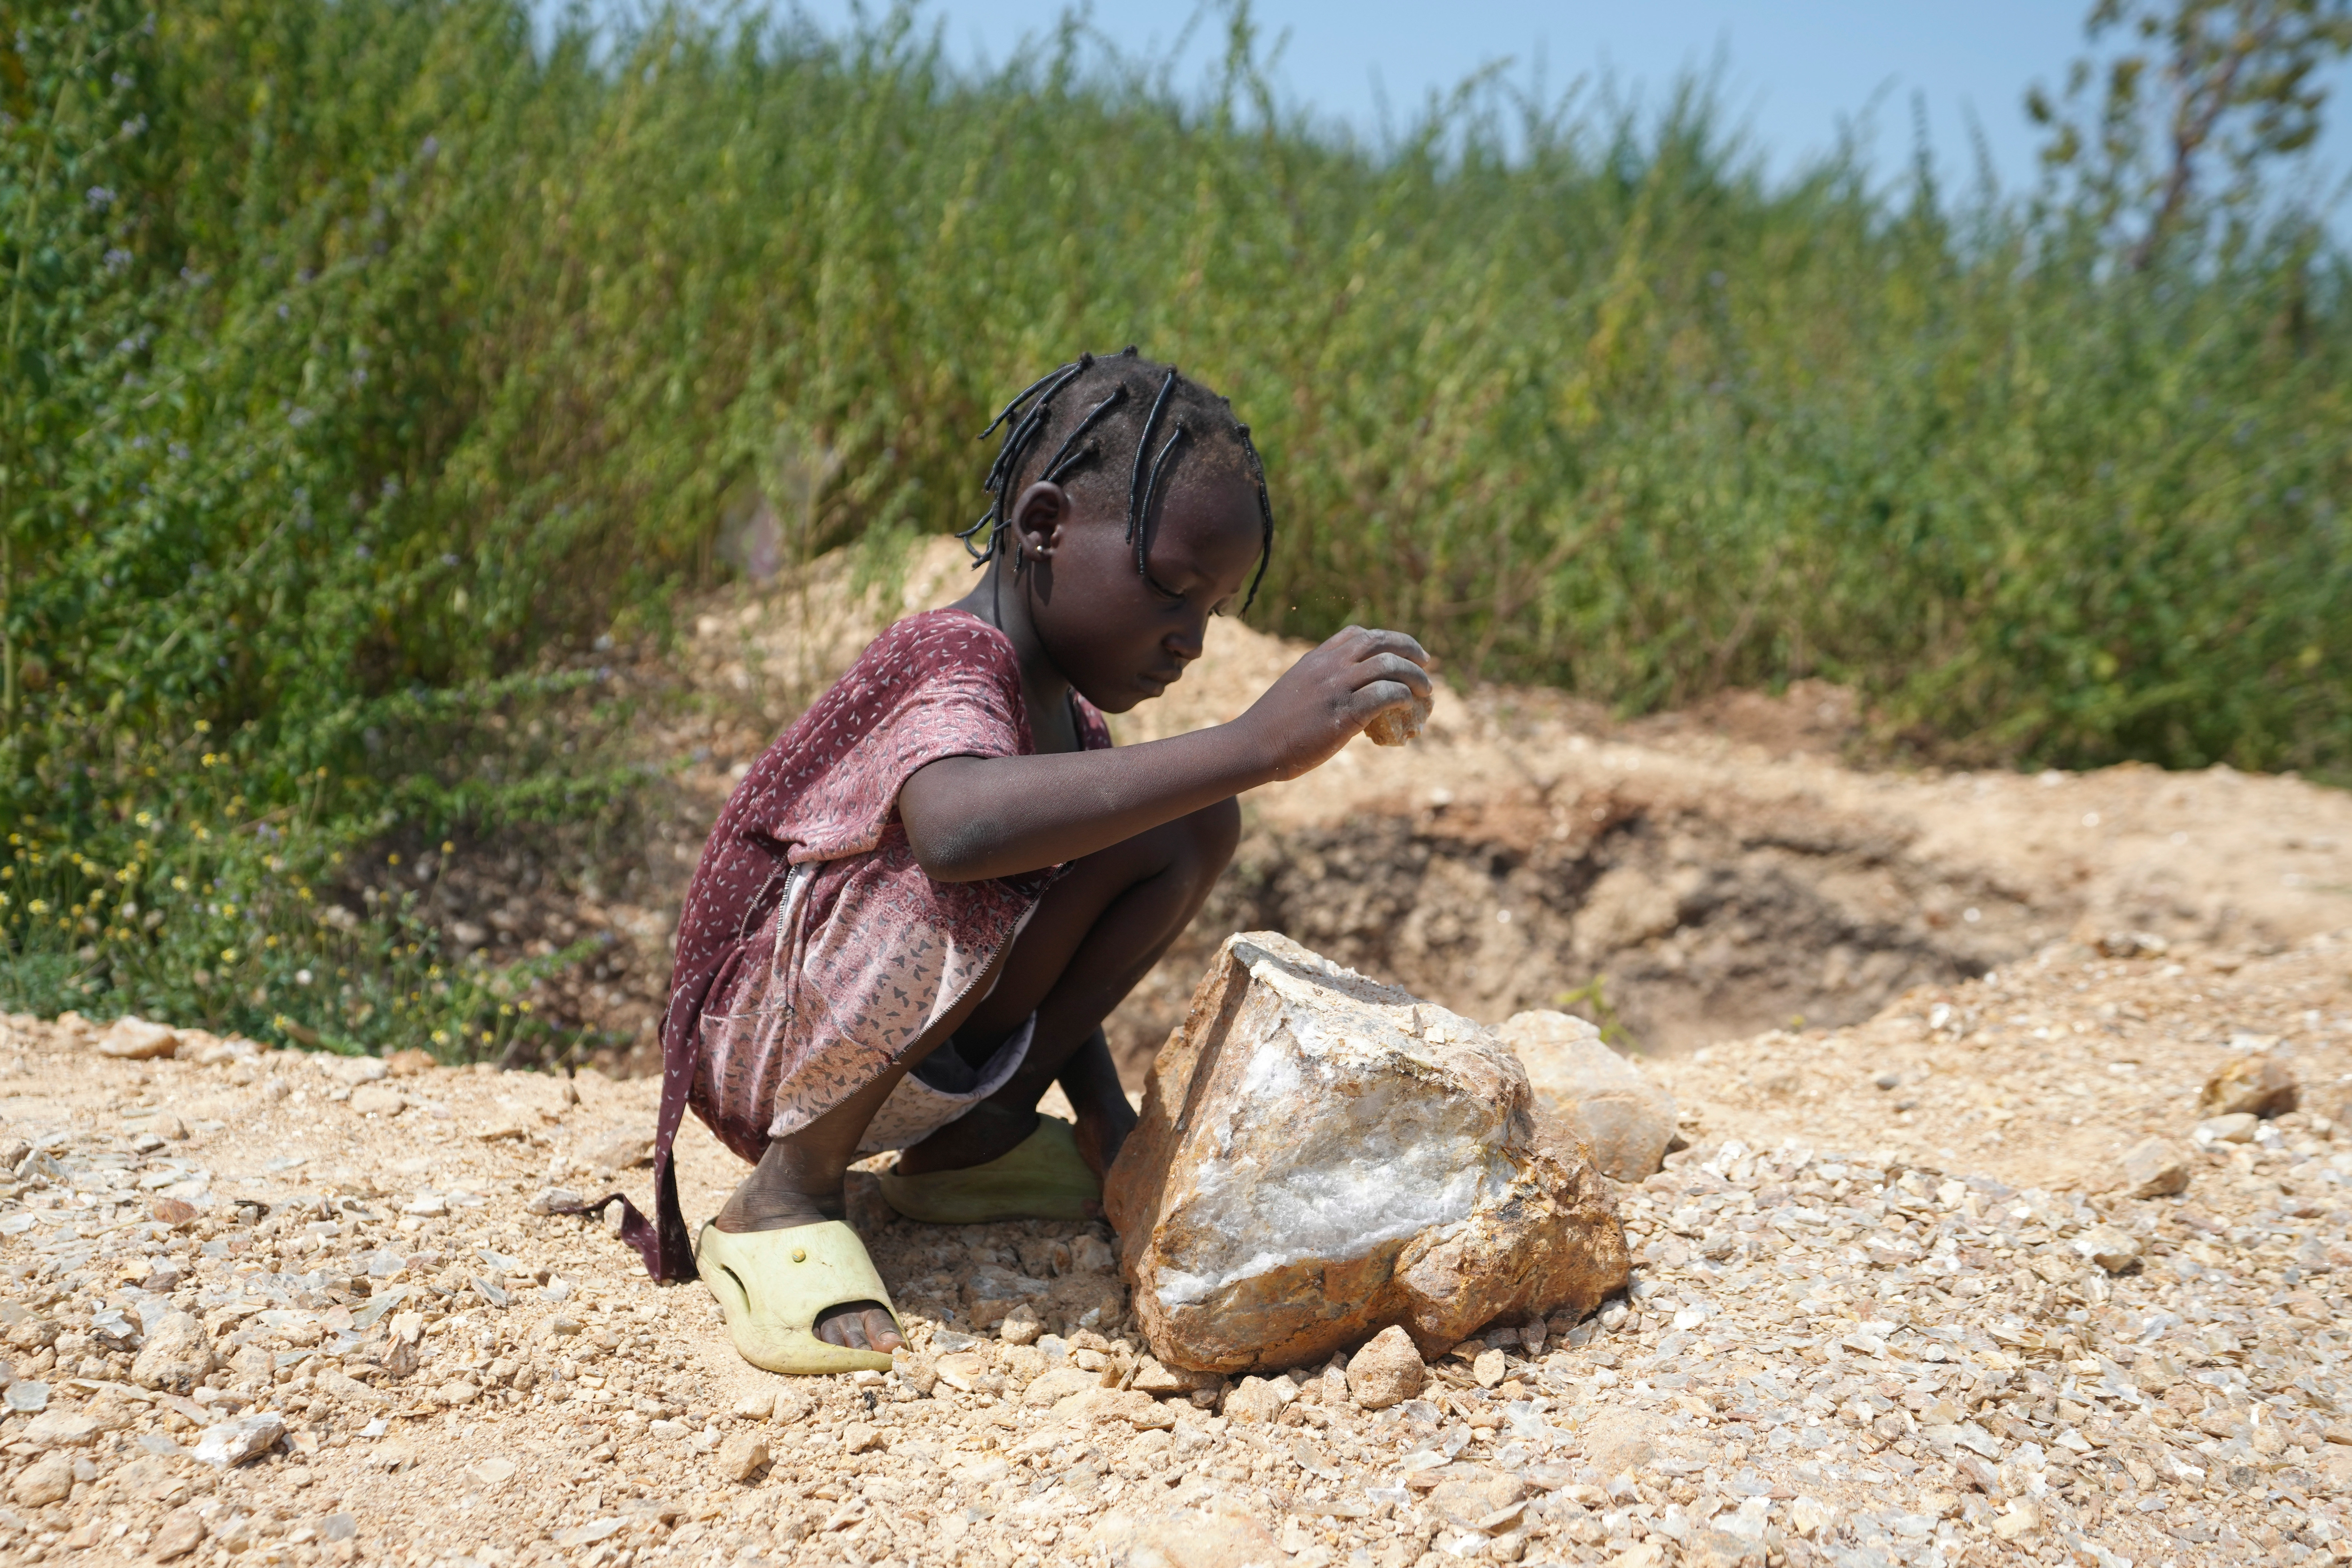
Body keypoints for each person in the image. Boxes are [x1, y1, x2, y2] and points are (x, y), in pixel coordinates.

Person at [595, 350, 1430, 1374]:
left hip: (890, 1040)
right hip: (766, 1045)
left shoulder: (1070, 716)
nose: (1190, 644)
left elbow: (1058, 901)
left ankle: (971, 1147)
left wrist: (1108, 1125)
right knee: (983, 855)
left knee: (1182, 826)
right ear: (1041, 528)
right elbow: (955, 833)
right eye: (1172, 592)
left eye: (1209, 614)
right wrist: (1254, 747)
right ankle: (785, 1199)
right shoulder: (947, 657)